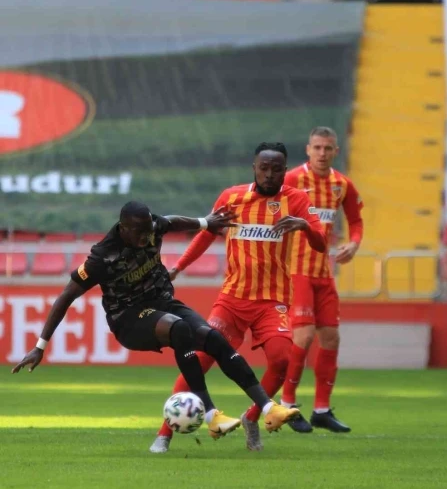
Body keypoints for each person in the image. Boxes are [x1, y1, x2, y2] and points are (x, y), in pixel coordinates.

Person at [11, 202, 299, 441]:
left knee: (213, 338)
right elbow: (66, 296)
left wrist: (204, 222)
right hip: (128, 319)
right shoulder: (102, 256)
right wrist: (40, 346)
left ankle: (267, 407)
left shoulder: (153, 227)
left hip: (162, 303)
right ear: (123, 228)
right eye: (139, 232)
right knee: (179, 328)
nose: (145, 237)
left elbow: (171, 221)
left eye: (148, 230)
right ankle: (212, 415)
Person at [149, 142, 327, 453]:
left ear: (285, 171)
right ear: (254, 168)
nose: (269, 175)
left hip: (272, 301)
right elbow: (206, 234)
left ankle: (252, 417)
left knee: (282, 360)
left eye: (276, 169)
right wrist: (178, 267)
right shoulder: (232, 198)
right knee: (199, 360)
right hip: (232, 300)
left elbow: (321, 243)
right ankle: (164, 434)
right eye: (264, 168)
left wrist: (304, 227)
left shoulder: (297, 200)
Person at [279, 126, 364, 433]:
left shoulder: (342, 184)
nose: (322, 153)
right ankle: (287, 405)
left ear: (336, 152)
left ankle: (321, 410)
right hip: (297, 271)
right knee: (303, 337)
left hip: (324, 273)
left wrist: (354, 243)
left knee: (331, 338)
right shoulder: (292, 180)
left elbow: (355, 220)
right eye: (317, 147)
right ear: (308, 149)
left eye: (328, 148)